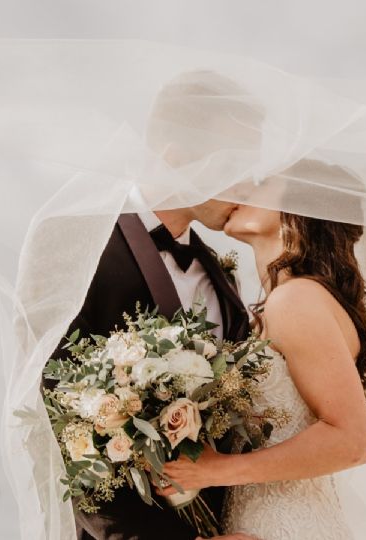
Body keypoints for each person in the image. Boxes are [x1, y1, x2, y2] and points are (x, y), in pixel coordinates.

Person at [52, 70, 261, 540]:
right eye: (235, 164)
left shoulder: (222, 278)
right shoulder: (76, 245)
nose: (247, 185)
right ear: (178, 157)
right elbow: (58, 429)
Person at [162, 160, 366, 539]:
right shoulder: (278, 303)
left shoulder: (296, 300)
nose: (242, 187)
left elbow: (352, 442)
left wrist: (216, 470)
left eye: (262, 183)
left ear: (298, 209)